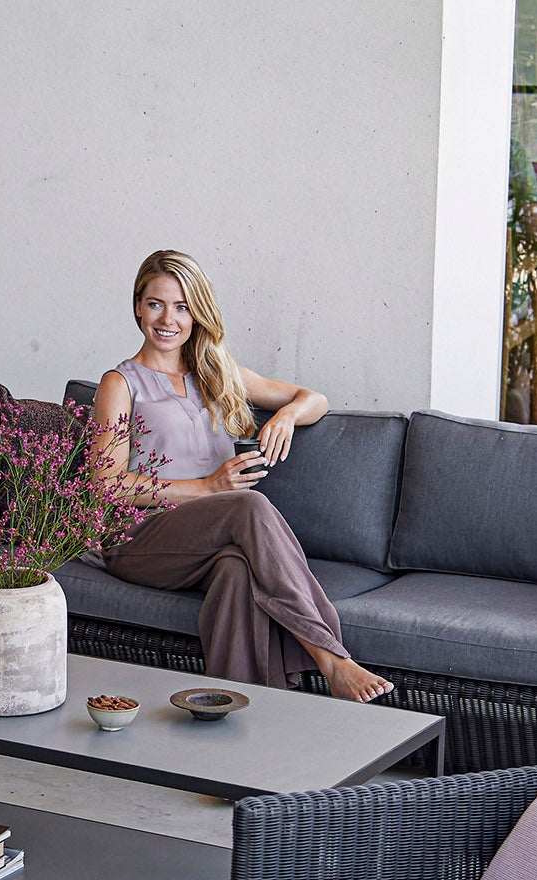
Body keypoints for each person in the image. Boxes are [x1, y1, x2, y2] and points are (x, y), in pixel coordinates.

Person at [93, 249, 393, 702]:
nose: (167, 319)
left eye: (182, 306)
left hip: (207, 542)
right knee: (248, 504)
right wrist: (208, 488)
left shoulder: (217, 374)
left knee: (236, 571)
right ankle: (331, 658)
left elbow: (315, 398)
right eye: (156, 304)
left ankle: (248, 717)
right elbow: (105, 483)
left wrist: (287, 416)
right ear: (138, 305)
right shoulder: (120, 383)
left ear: (197, 312)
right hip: (138, 540)